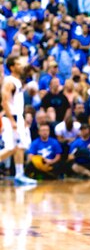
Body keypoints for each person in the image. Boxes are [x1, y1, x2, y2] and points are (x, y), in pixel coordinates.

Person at [1, 56, 37, 185]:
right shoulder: (9, 81)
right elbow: (4, 101)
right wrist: (12, 120)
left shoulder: (17, 81)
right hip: (12, 117)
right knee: (11, 148)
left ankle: (20, 175)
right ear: (12, 67)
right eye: (18, 64)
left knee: (20, 147)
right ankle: (19, 174)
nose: (20, 66)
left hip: (18, 117)